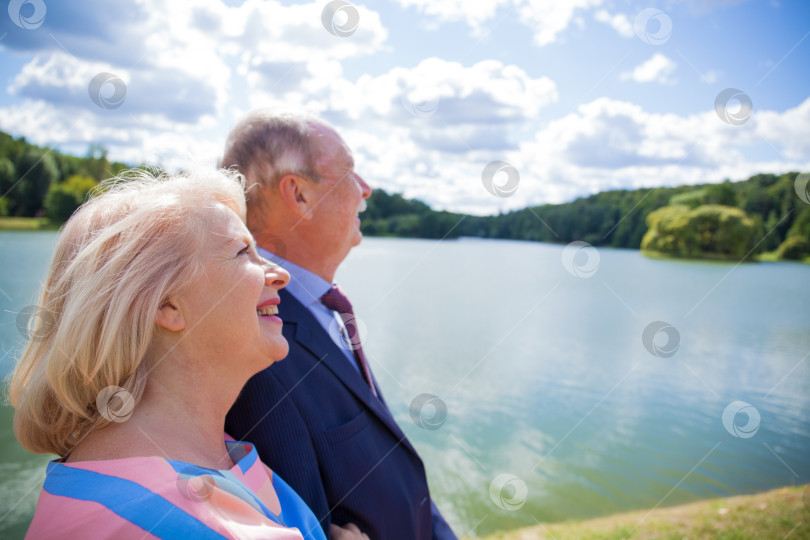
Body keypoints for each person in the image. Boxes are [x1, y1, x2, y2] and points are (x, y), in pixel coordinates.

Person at [9, 169, 368, 540]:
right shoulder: (163, 522)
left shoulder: (211, 453)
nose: (279, 275)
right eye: (243, 251)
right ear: (166, 304)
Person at [221, 110, 457, 540]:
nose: (365, 188)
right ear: (299, 195)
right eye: (349, 171)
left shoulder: (322, 304)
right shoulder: (256, 341)